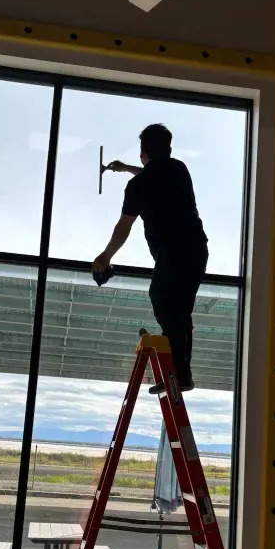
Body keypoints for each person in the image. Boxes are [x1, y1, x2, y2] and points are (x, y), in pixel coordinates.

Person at [92, 123, 208, 394]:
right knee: (179, 311)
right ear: (169, 148)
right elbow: (156, 172)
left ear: (142, 152)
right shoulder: (178, 169)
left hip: (172, 251)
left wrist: (105, 255)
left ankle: (179, 374)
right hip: (196, 249)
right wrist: (127, 168)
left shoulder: (138, 186)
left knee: (163, 299)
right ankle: (181, 374)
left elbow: (124, 226)